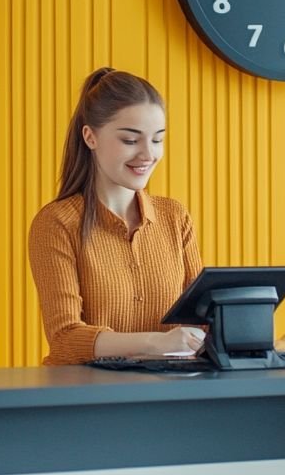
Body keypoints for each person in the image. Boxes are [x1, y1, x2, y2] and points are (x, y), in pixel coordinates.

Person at [28, 67, 205, 365]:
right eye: (130, 140)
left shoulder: (175, 217)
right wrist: (157, 342)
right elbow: (66, 338)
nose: (148, 154)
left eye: (158, 139)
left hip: (167, 396)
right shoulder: (57, 223)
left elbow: (201, 320)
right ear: (90, 137)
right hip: (86, 400)